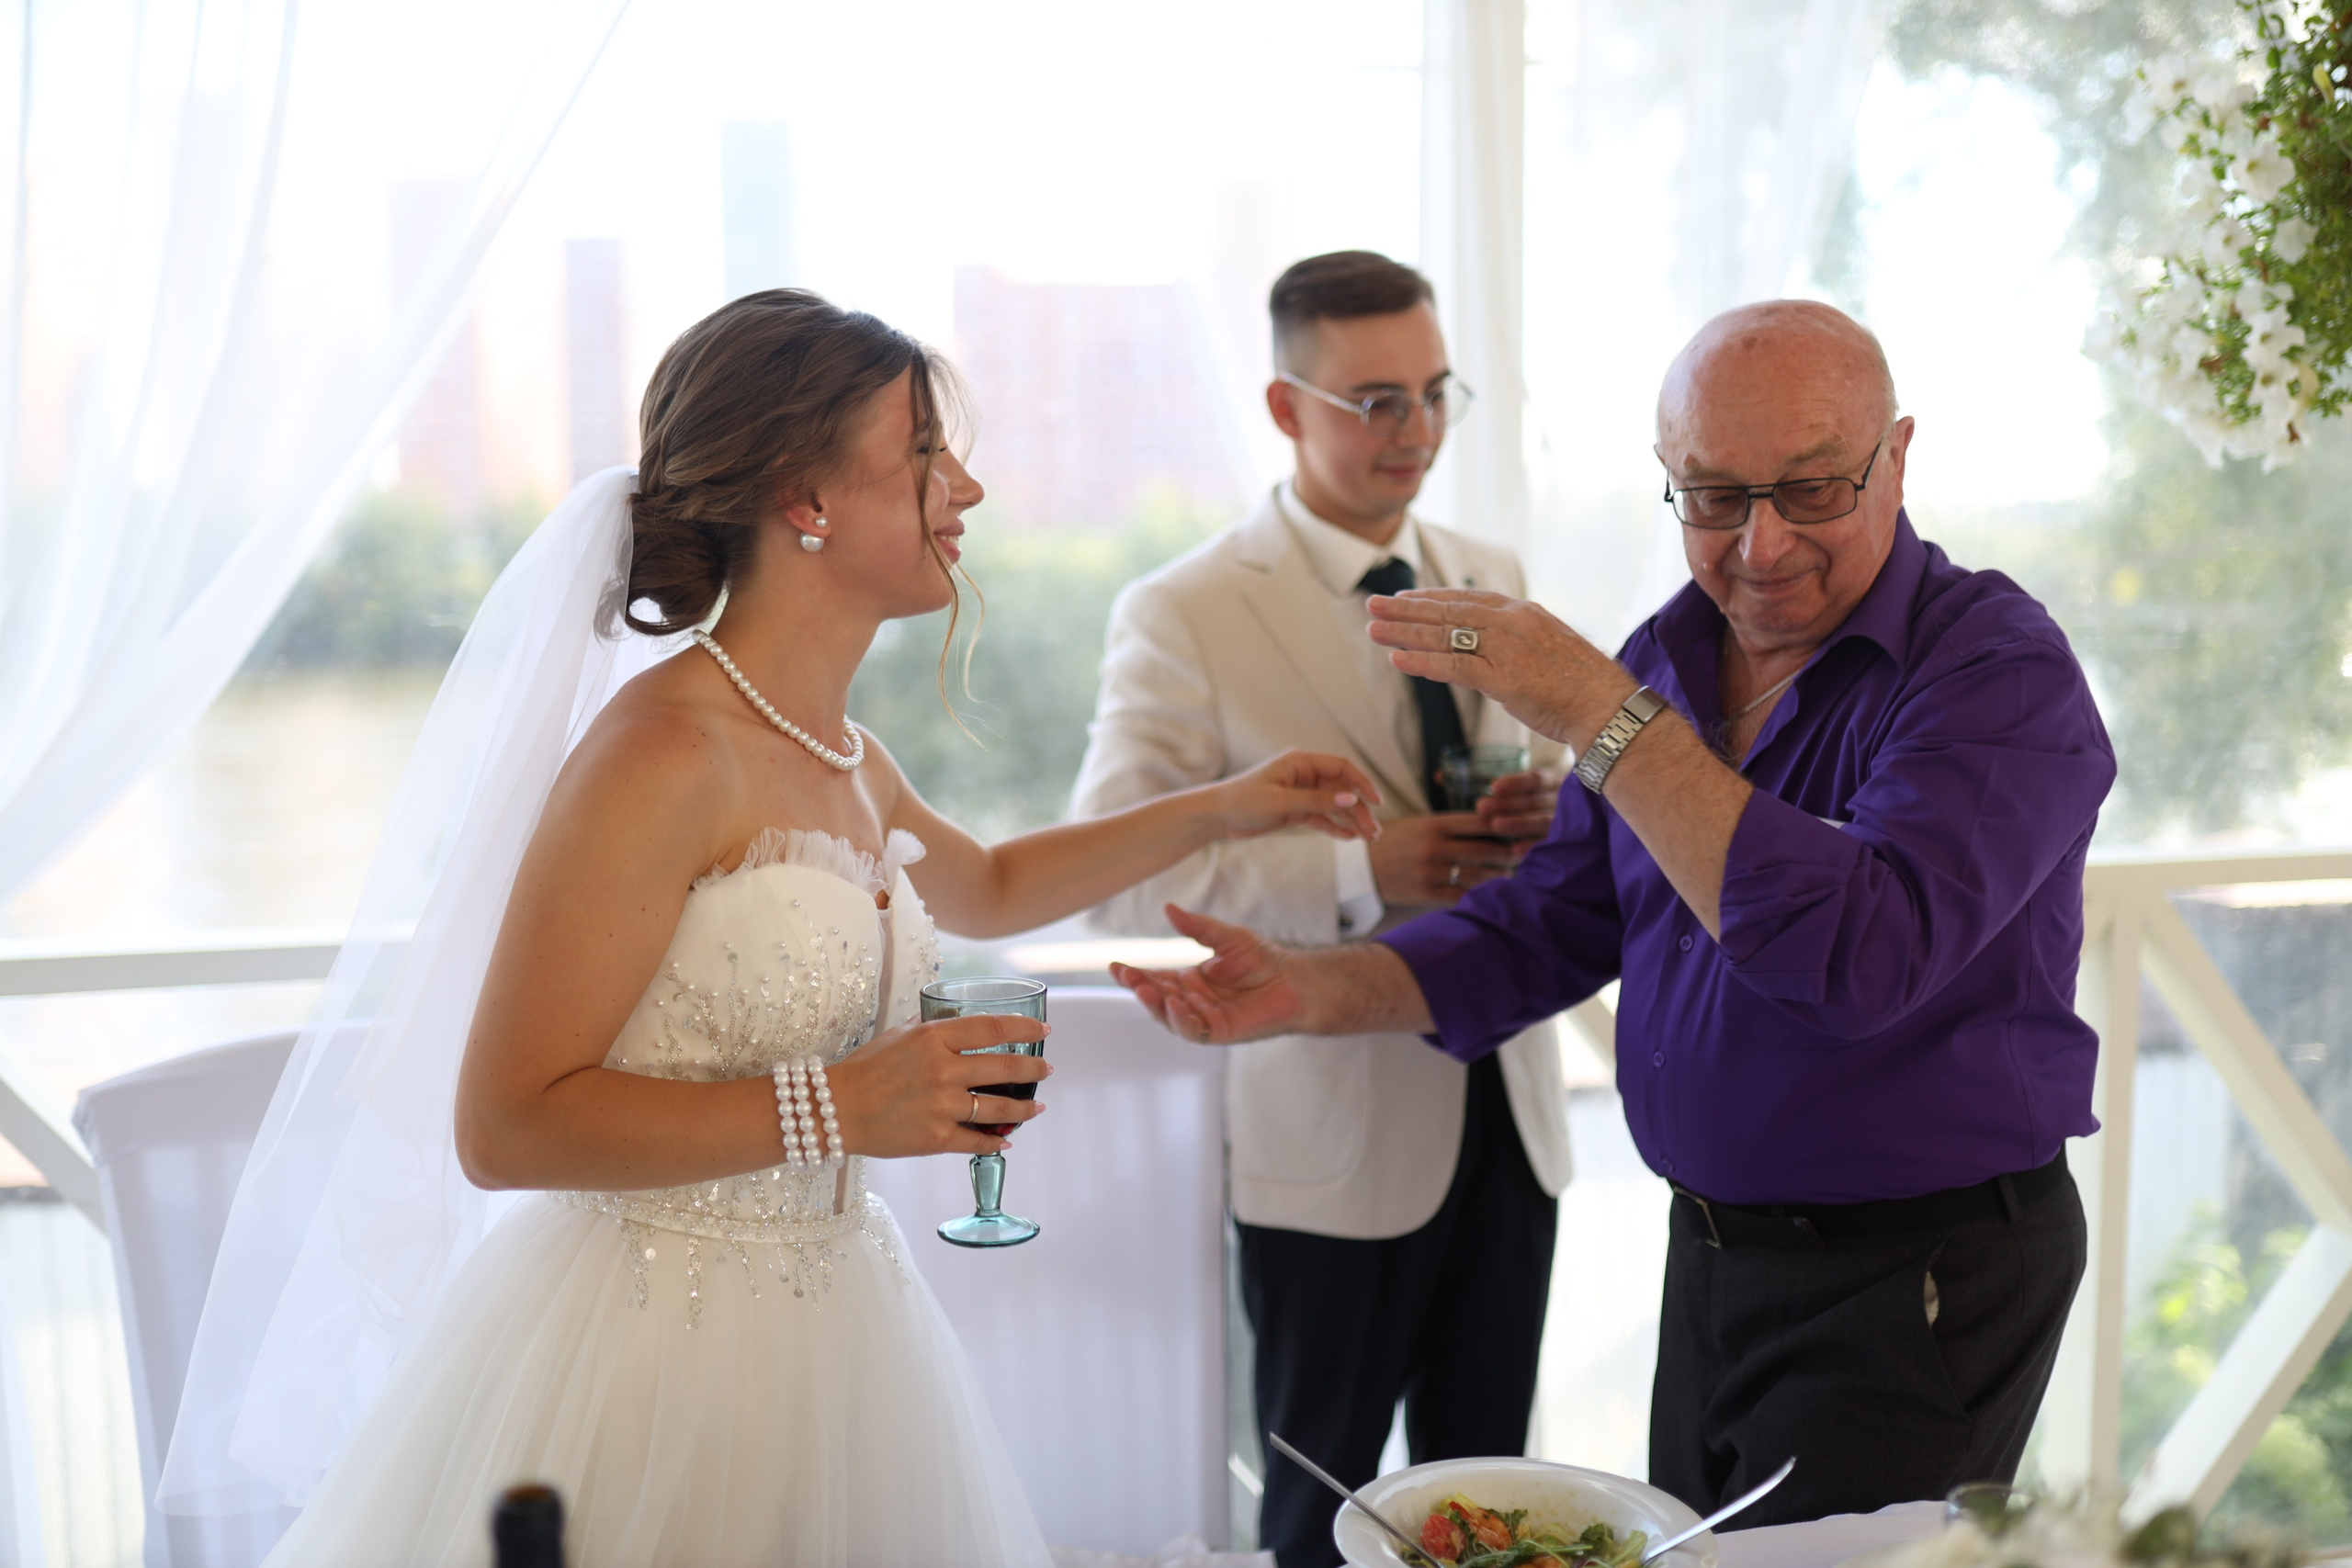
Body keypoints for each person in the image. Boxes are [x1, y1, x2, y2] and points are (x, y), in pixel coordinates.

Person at [169, 290, 1385, 1567]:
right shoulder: (660, 753)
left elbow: (993, 885)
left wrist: (1227, 807)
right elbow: (504, 1127)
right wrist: (842, 1107)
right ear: (807, 498)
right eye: (925, 453)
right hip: (649, 1358)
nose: (967, 487)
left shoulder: (844, 751)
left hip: (843, 1314)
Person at [1113, 300, 2114, 1529]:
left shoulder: (1997, 668)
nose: (1760, 546)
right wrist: (1309, 988)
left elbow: (1860, 955)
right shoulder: (1671, 656)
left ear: (1896, 456)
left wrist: (1602, 714)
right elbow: (1549, 923)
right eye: (1714, 497)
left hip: (1916, 1270)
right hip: (1713, 1253)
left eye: (1811, 490)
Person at [1071, 251, 1572, 1566]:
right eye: (1378, 402)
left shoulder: (1491, 571)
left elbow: (1550, 776)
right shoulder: (1183, 611)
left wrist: (1547, 810)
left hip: (1510, 1117)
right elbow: (1116, 871)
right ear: (1286, 408)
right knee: (1320, 1516)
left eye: (1436, 393)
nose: (1418, 431)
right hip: (1330, 1143)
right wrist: (1363, 871)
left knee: (1500, 1515)